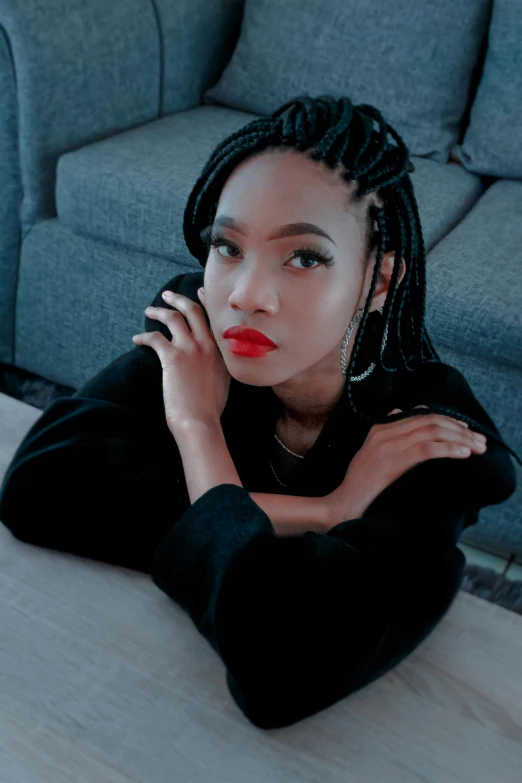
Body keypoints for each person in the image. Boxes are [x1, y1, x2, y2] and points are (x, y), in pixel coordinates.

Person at [0, 95, 519, 730]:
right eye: (228, 246)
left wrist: (197, 449)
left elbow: (280, 665)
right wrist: (322, 511)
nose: (246, 296)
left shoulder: (430, 437)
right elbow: (39, 487)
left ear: (379, 281)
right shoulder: (202, 326)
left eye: (305, 257)